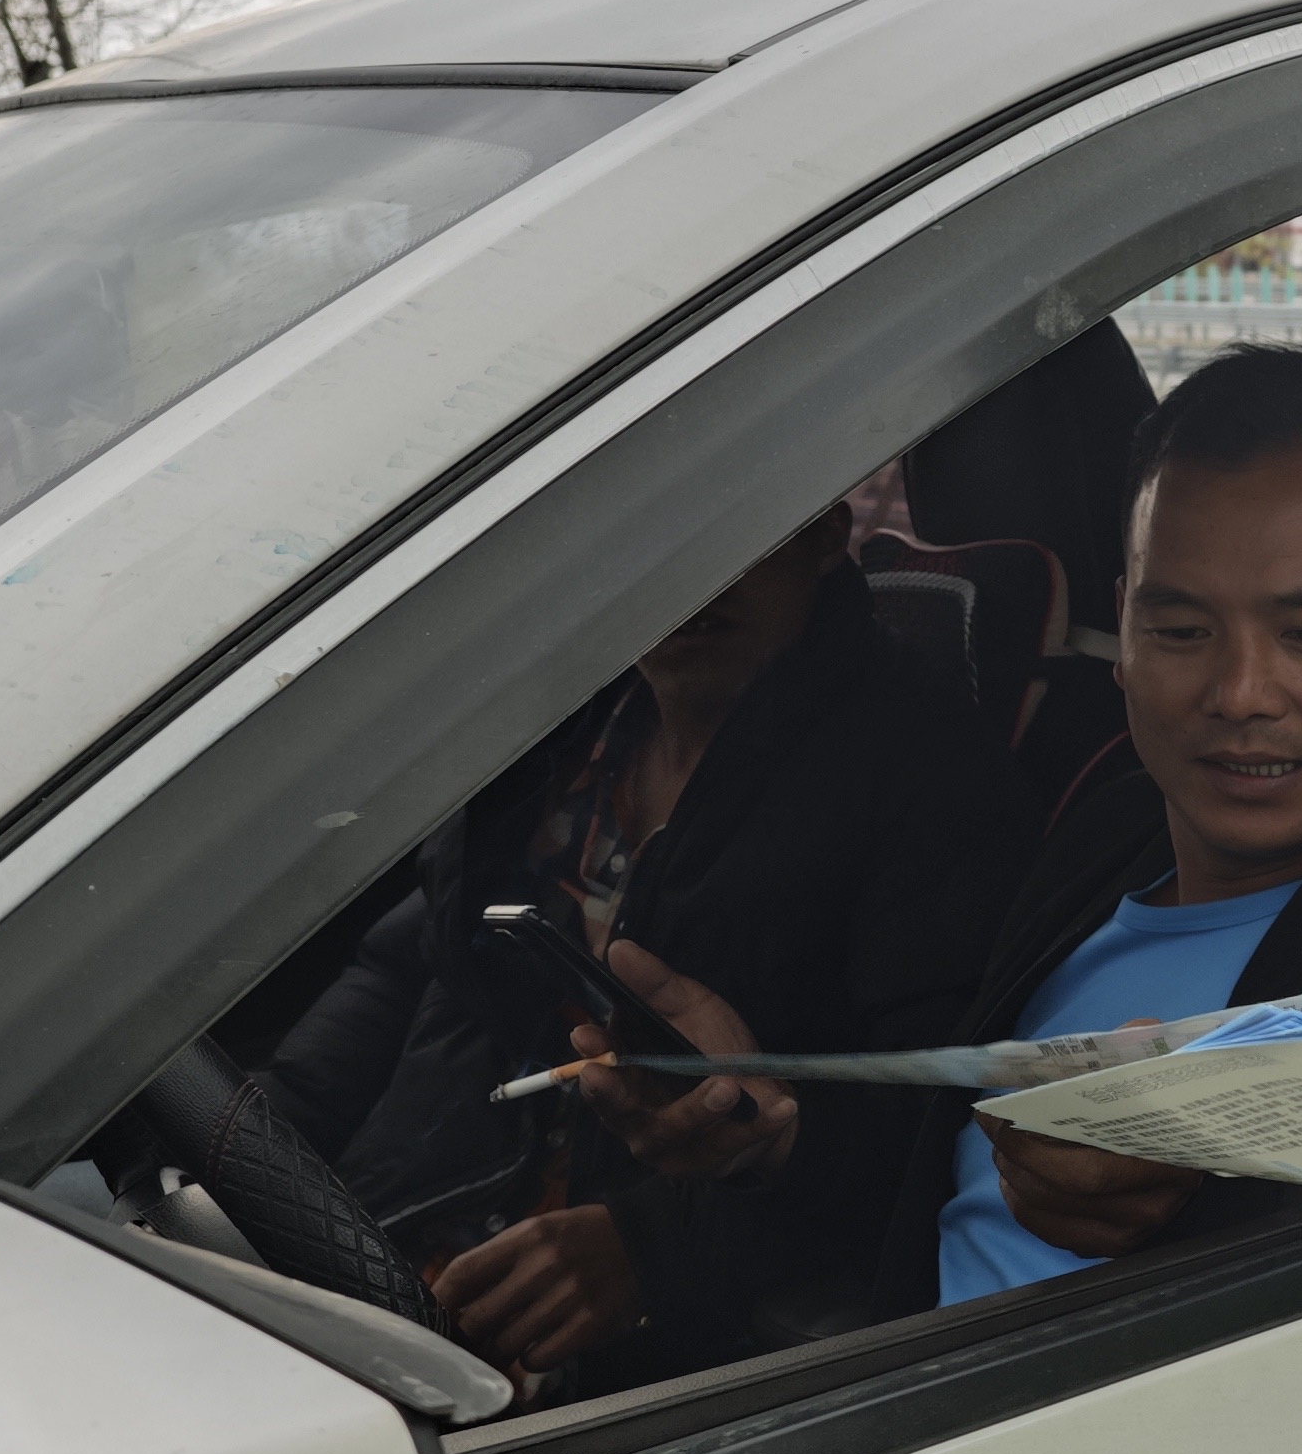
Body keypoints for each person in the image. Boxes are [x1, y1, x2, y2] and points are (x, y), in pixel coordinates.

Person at [602, 343, 1302, 1314]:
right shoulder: (1111, 825)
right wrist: (769, 1130)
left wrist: (1186, 1210)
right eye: (1180, 630)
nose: (1239, 692)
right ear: (1123, 630)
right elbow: (944, 1181)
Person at [262, 503, 1037, 1377]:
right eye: (641, 529)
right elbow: (426, 953)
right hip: (394, 1235)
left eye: (729, 524)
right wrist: (253, 1145)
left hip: (628, 1355)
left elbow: (946, 1120)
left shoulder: (928, 777)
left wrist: (654, 1249)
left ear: (822, 535)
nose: (688, 574)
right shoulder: (569, 720)